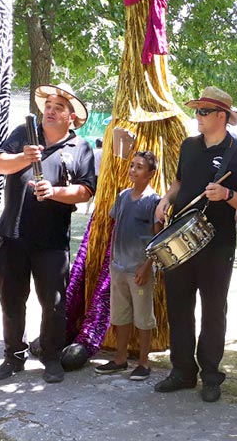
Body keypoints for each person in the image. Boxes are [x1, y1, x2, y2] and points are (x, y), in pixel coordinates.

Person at [153, 86, 237, 403]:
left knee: (213, 310)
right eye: (197, 111)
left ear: (221, 116)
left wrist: (227, 195)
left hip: (217, 244)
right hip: (180, 238)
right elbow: (180, 182)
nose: (197, 116)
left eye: (203, 111)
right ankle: (182, 371)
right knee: (179, 307)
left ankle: (210, 375)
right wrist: (165, 199)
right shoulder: (188, 146)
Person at [0, 84, 96, 384]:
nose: (50, 110)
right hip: (14, 234)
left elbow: (86, 190)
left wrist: (54, 192)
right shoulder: (24, 134)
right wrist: (24, 157)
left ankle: (51, 357)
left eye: (58, 107)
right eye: (48, 105)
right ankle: (13, 356)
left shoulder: (82, 148)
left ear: (71, 117)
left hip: (51, 240)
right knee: (11, 301)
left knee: (54, 302)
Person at [94, 151, 161, 381]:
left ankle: (143, 362)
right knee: (120, 315)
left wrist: (146, 266)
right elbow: (117, 226)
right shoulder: (122, 196)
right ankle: (120, 358)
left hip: (139, 271)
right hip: (119, 267)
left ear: (151, 173)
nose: (133, 170)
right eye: (132, 165)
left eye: (140, 167)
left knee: (143, 318)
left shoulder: (154, 202)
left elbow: (158, 238)